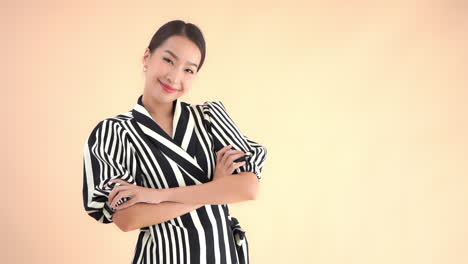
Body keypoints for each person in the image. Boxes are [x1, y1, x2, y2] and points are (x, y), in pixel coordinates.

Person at [82, 19, 268, 264]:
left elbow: (247, 188)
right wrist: (215, 188)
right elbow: (127, 219)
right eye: (168, 60)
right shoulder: (116, 132)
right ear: (147, 57)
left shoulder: (210, 118)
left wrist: (158, 195)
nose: (174, 76)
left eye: (188, 70)